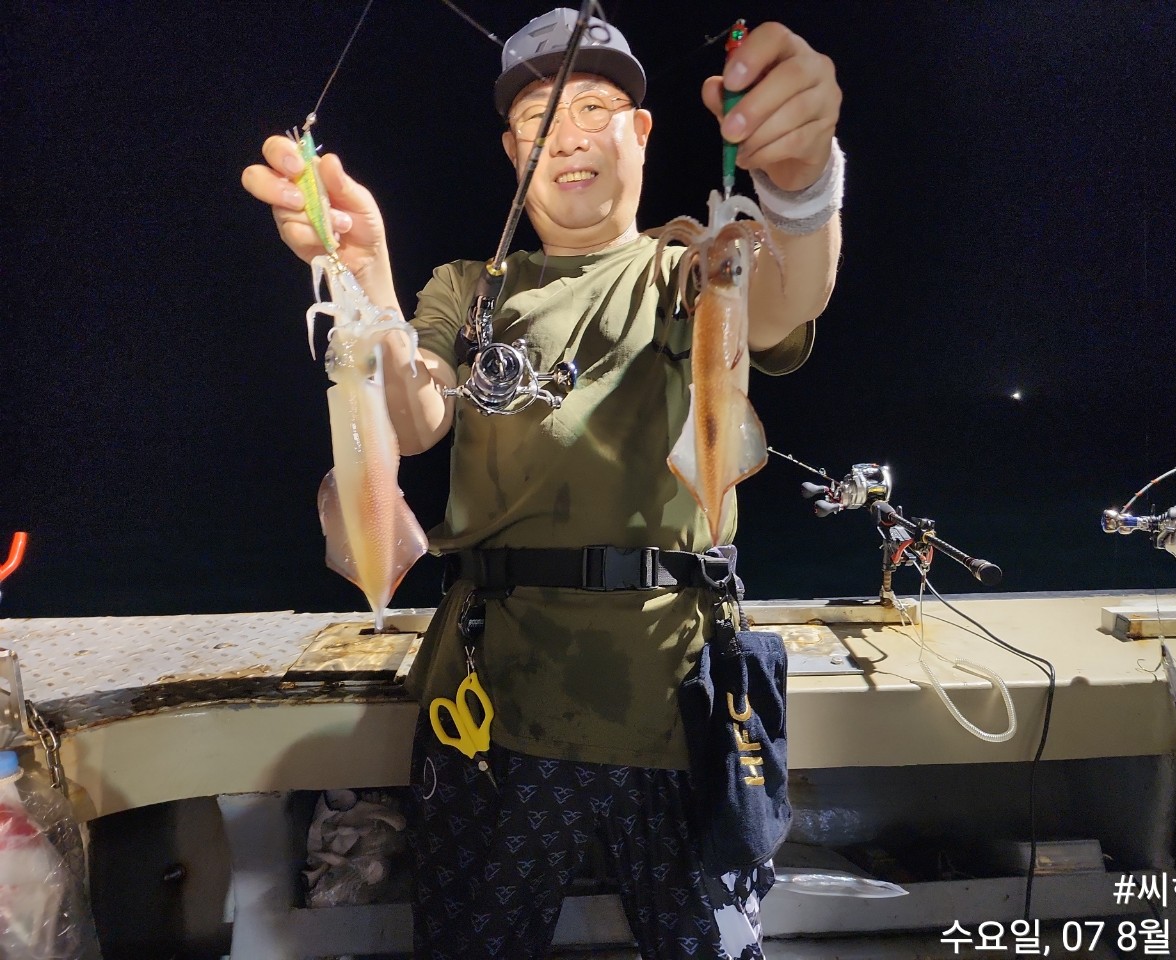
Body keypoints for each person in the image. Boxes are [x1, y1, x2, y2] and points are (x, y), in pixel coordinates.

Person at [243, 8, 842, 958]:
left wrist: (801, 187)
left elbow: (785, 298)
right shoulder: (467, 289)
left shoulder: (689, 271)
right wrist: (363, 285)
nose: (566, 135)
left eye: (594, 107)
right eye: (537, 119)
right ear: (512, 153)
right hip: (491, 712)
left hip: (678, 707)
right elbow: (413, 417)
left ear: (640, 130)